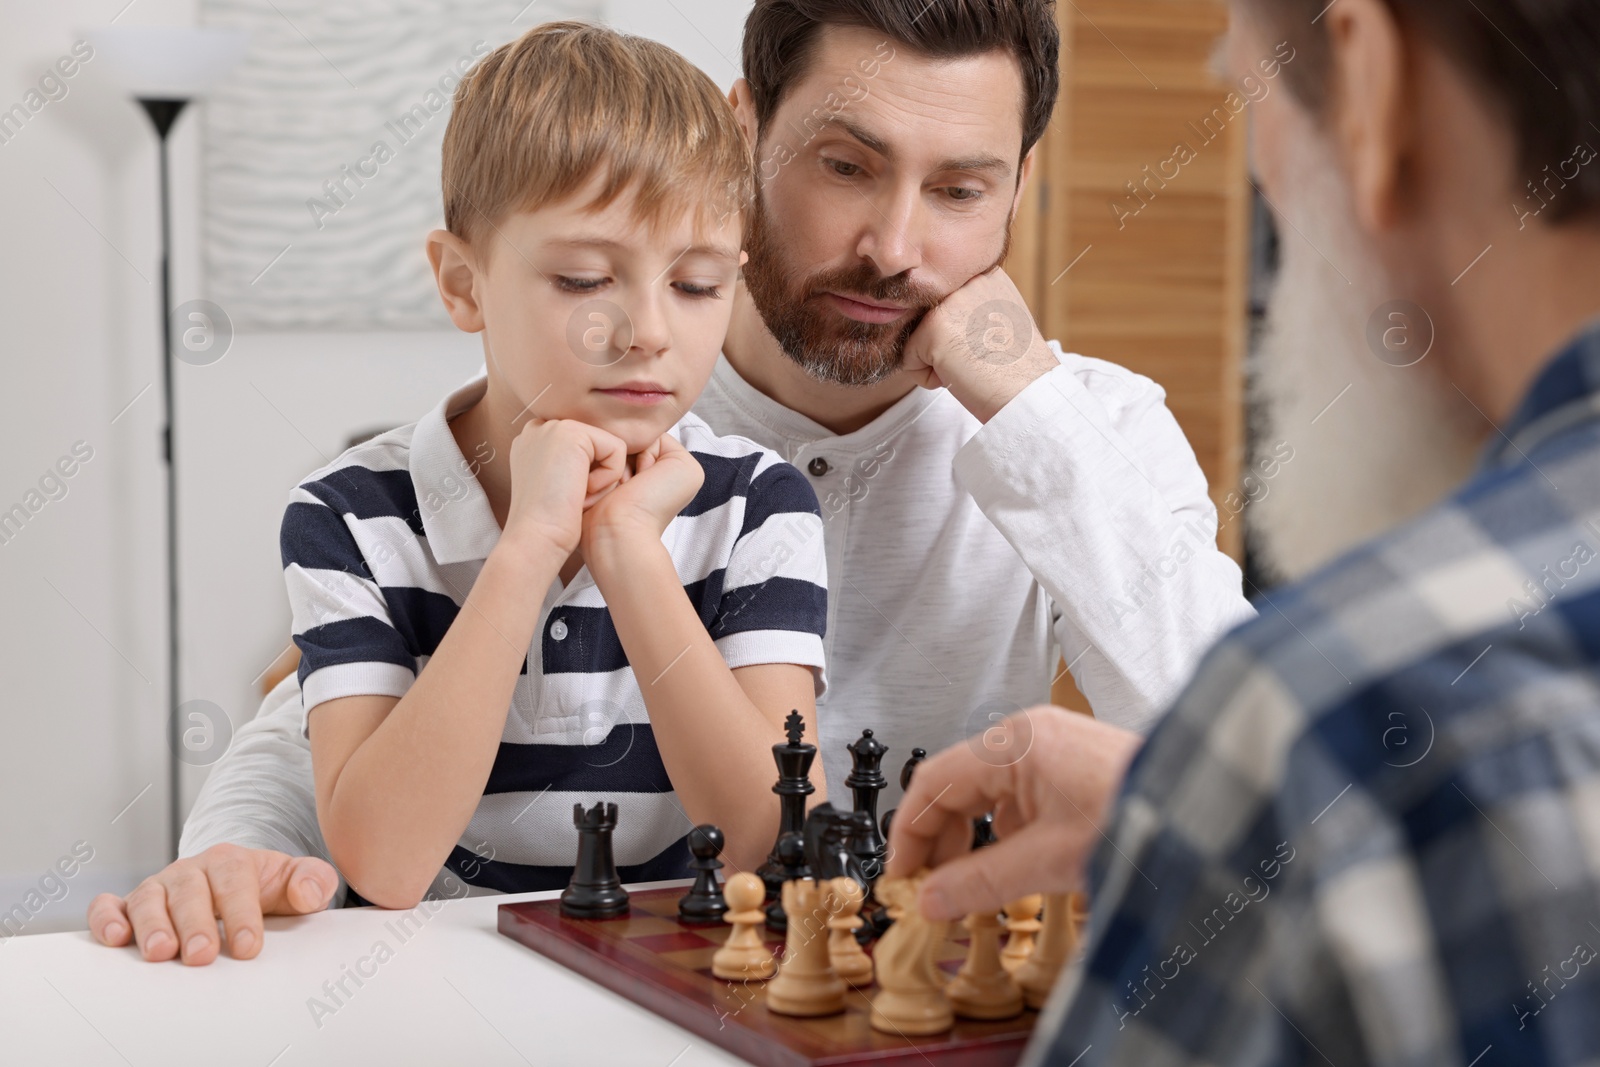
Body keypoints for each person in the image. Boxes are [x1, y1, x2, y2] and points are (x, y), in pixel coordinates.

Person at [89, 0, 1255, 964]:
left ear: (1019, 185)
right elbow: (329, 701)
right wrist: (235, 844)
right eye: (846, 165)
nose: (896, 244)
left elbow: (1254, 763)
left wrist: (1028, 408)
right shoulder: (594, 401)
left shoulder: (1085, 429)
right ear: (745, 131)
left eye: (959, 189)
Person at [889, 0, 1600, 1063]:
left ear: (1369, 83)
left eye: (1245, 87)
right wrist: (1214, 813)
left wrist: (1254, 812)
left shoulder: (1333, 714)